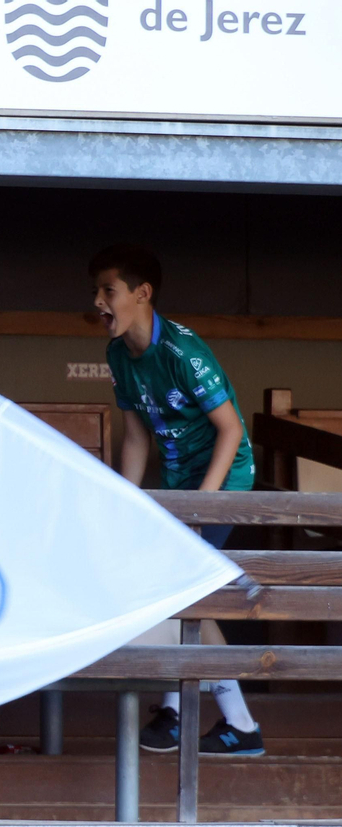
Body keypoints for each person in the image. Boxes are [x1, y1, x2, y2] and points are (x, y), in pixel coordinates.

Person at [92, 243, 264, 756]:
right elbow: (137, 434)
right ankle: (174, 710)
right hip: (176, 485)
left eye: (109, 291)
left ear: (142, 294)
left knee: (183, 592)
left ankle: (238, 723)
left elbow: (230, 430)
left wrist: (203, 508)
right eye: (96, 291)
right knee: (169, 590)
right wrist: (128, 501)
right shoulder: (119, 353)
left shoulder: (183, 352)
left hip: (221, 482)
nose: (98, 302)